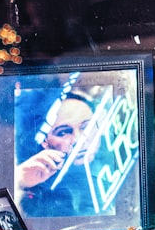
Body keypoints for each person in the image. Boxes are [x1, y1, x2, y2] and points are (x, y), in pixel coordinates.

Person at [15, 90, 100, 220]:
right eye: (63, 132)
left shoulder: (112, 174)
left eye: (86, 127)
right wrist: (20, 180)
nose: (78, 139)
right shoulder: (37, 186)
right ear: (44, 142)